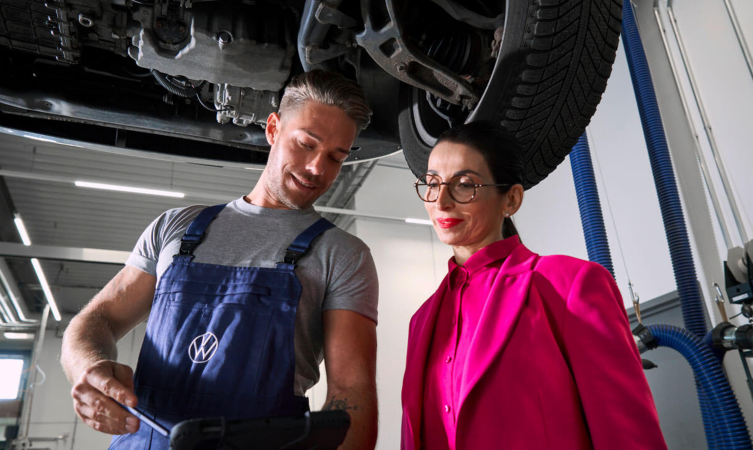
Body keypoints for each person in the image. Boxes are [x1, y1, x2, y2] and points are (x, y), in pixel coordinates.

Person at [61, 70, 379, 450]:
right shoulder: (176, 228)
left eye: (335, 157)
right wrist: (90, 369)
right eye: (306, 144)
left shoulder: (341, 253)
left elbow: (352, 392)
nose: (317, 168)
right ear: (273, 128)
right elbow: (98, 320)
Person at [400, 122, 667, 449]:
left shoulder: (569, 285)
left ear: (510, 199)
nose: (440, 202)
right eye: (432, 183)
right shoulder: (421, 320)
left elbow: (628, 435)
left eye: (464, 184)